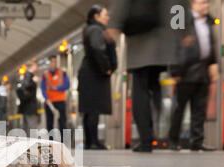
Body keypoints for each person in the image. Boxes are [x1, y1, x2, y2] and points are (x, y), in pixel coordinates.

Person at [108, 0, 185, 152]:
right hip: (164, 41)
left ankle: (146, 138)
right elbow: (180, 5)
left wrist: (114, 22)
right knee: (155, 85)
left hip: (141, 40)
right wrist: (184, 30)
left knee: (140, 89)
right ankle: (158, 127)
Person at [169, 0, 219, 151]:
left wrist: (213, 65)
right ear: (193, 5)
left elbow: (210, 46)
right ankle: (173, 141)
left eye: (207, 3)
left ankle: (197, 141)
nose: (206, 6)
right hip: (185, 72)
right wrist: (175, 70)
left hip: (203, 71)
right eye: (202, 3)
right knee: (179, 108)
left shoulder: (209, 22)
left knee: (199, 109)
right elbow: (174, 45)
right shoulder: (181, 20)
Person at [78, 5, 117, 150]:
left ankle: (90, 141)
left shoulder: (91, 29)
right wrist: (106, 67)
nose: (108, 18)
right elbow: (97, 49)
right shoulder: (96, 30)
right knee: (93, 108)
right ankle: (93, 141)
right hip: (94, 73)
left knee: (90, 109)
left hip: (90, 73)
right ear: (96, 16)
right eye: (105, 15)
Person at [42, 55, 70, 142]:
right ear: (49, 63)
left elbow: (67, 85)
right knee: (49, 122)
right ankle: (51, 140)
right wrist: (46, 99)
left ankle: (64, 141)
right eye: (52, 61)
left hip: (60, 100)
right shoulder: (45, 74)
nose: (53, 63)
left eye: (55, 61)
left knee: (62, 121)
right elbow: (43, 88)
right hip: (49, 102)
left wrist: (56, 88)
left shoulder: (62, 73)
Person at [17, 60, 40, 136]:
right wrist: (33, 82)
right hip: (30, 107)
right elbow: (26, 87)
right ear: (32, 66)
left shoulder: (25, 76)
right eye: (36, 65)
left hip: (25, 107)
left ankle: (26, 146)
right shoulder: (29, 76)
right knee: (32, 128)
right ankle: (32, 146)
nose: (37, 67)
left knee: (26, 128)